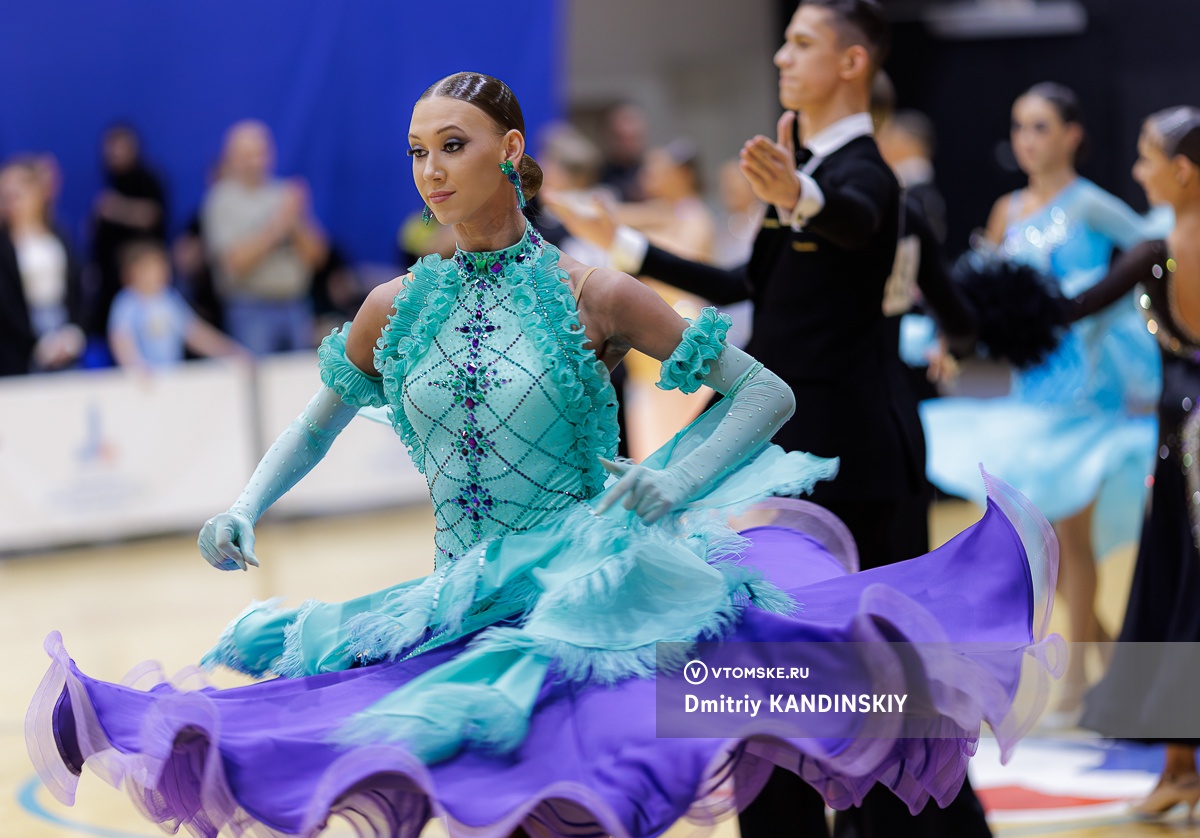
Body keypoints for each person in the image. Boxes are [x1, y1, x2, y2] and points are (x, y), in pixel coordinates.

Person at [30, 72, 1057, 838]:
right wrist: (247, 503)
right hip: (457, 598)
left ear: (511, 150)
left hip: (587, 600)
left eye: (455, 145)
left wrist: (677, 476)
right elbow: (315, 418)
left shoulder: (587, 289)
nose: (432, 170)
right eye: (418, 152)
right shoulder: (395, 306)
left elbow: (762, 391)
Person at [545, 3, 995, 834]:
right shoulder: (809, 162)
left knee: (875, 678)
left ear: (854, 62)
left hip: (854, 461)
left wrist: (805, 195)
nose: (783, 55)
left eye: (803, 42)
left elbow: (857, 215)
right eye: (784, 40)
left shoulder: (865, 173)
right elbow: (746, 289)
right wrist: (624, 247)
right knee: (804, 674)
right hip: (795, 450)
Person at [919, 83, 1169, 721]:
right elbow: (983, 291)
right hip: (1030, 387)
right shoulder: (1007, 208)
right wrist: (957, 337)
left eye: (1040, 127)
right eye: (1020, 128)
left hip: (1086, 385)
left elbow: (1157, 247)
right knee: (1041, 543)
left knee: (1071, 538)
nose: (1028, 141)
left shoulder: (1092, 206)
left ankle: (1082, 680)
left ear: (1072, 134)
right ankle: (1101, 656)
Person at [1062, 107, 1200, 820]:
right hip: (1180, 443)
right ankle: (1181, 766)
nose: (1138, 172)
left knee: (1182, 583)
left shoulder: (1157, 247)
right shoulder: (1152, 244)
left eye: (1147, 159)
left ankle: (1181, 765)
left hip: (1184, 439)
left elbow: (1074, 306)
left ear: (1182, 171)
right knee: (1184, 585)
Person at [202, 120, 328, 355]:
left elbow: (317, 257)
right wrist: (279, 225)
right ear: (231, 157)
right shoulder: (221, 199)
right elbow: (235, 262)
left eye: (260, 153)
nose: (255, 161)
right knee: (259, 385)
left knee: (297, 381)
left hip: (295, 304)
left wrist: (298, 222)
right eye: (247, 154)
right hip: (251, 309)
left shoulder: (285, 193)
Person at [0, 157, 85, 376]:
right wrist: (36, 344)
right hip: (18, 351)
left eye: (18, 193)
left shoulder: (59, 235)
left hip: (63, 341)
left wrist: (74, 331)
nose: (12, 201)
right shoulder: (3, 245)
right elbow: (6, 304)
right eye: (6, 195)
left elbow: (76, 289)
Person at [107, 239, 247, 371]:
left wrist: (230, 351)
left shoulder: (170, 300)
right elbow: (121, 338)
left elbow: (195, 333)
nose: (157, 273)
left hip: (172, 376)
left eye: (160, 266)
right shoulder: (127, 303)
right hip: (143, 381)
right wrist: (135, 367)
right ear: (130, 274)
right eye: (148, 269)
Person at [88, 123, 168, 344]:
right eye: (111, 151)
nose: (115, 155)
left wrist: (116, 209)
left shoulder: (148, 180)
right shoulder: (109, 182)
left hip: (142, 272)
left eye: (120, 149)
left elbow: (153, 215)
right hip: (111, 280)